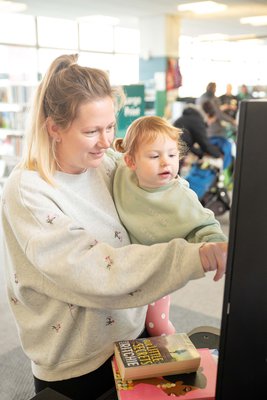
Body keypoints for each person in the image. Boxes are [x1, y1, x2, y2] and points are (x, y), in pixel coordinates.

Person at [0, 54, 227, 400]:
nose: (107, 142)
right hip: (75, 363)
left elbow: (165, 194)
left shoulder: (108, 164)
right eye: (92, 131)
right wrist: (196, 257)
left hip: (131, 337)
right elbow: (97, 272)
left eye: (110, 127)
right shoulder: (29, 189)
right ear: (54, 128)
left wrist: (203, 230)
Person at [113, 115, 227, 337]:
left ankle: (177, 358)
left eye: (172, 155)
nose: (166, 162)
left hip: (158, 271)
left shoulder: (181, 197)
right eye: (155, 156)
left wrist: (218, 247)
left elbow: (206, 225)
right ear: (131, 162)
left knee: (157, 326)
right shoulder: (122, 173)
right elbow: (110, 154)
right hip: (127, 269)